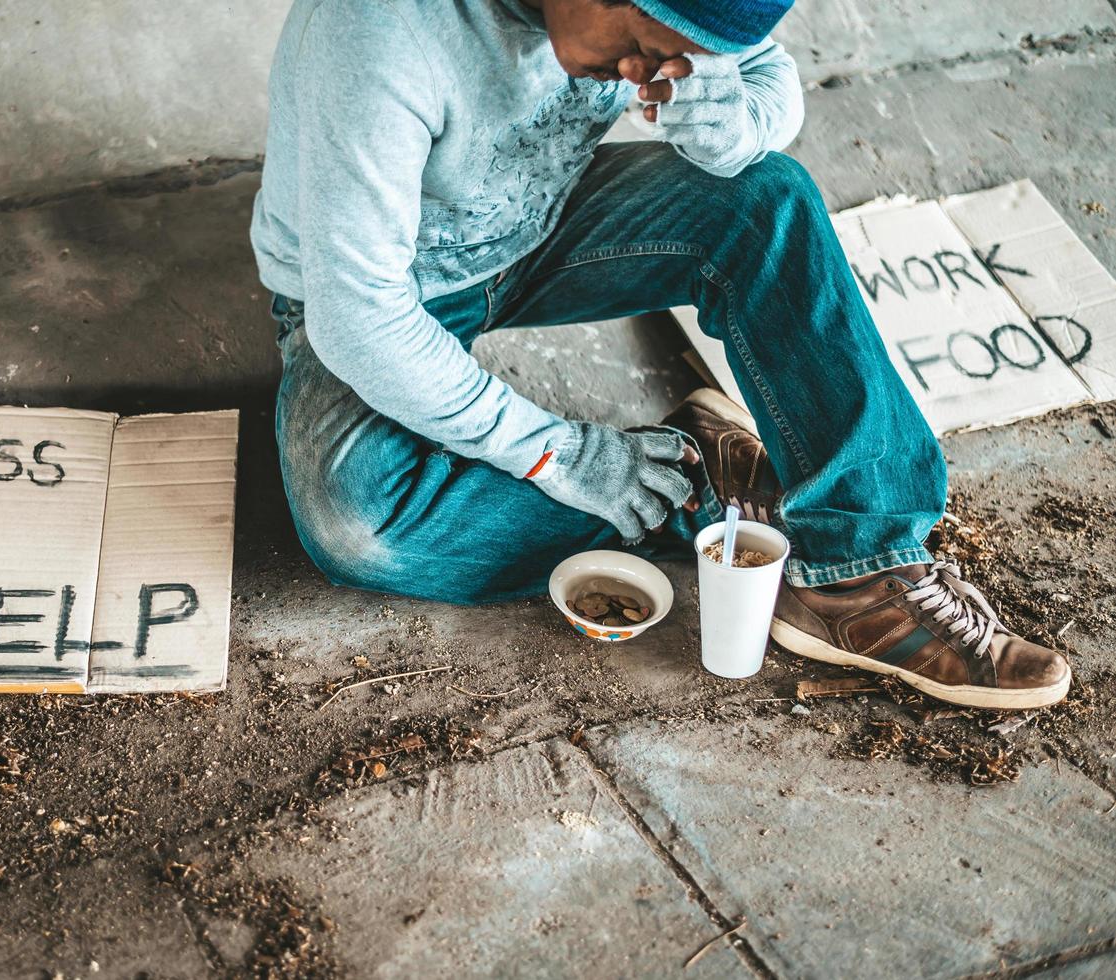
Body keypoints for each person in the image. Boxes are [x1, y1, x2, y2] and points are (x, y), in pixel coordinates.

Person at [249, 0, 1070, 709]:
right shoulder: (379, 34)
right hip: (384, 288)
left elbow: (765, 70)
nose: (646, 69)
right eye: (645, 37)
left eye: (676, 53)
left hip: (539, 233)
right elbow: (361, 321)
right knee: (361, 526)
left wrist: (740, 120)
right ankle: (697, 488)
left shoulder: (663, 17)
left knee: (765, 196)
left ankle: (860, 566)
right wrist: (559, 453)